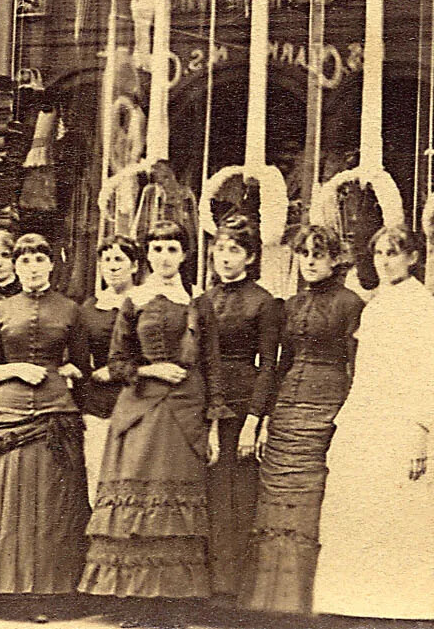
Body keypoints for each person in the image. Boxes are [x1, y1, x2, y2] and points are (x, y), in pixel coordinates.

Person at [80, 220, 223, 605]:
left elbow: (212, 366)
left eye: (172, 249)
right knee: (135, 499)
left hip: (185, 412)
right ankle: (129, 596)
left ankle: (171, 599)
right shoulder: (135, 301)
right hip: (139, 407)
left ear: (185, 255)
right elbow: (116, 360)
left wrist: (211, 427)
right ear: (148, 254)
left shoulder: (200, 303)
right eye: (157, 249)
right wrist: (151, 369)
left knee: (173, 503)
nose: (164, 257)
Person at [314, 224, 434, 620]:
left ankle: (400, 607)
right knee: (359, 506)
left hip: (403, 419)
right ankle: (354, 602)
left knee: (399, 512)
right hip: (368, 414)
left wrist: (420, 434)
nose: (386, 261)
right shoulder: (377, 303)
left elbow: (433, 373)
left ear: (413, 257)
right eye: (379, 254)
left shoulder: (424, 307)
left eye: (393, 253)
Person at [0, 233, 92, 597]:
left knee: (50, 503)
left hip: (54, 411)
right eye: (24, 261)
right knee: (4, 501)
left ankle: (48, 590)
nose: (31, 268)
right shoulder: (0, 311)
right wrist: (12, 369)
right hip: (6, 411)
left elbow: (80, 364)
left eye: (38, 260)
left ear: (50, 264)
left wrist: (67, 371)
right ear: (16, 267)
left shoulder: (70, 309)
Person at [241, 225, 364, 614]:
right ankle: (270, 603)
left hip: (327, 405)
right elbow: (280, 364)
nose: (310, 261)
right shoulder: (289, 305)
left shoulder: (351, 303)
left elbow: (355, 365)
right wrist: (262, 418)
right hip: (286, 411)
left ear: (335, 259)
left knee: (311, 496)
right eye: (304, 254)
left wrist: (347, 413)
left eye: (318, 253)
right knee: (275, 494)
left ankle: (307, 604)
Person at [198, 216, 281, 601]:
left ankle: (234, 594)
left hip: (244, 405)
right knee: (207, 496)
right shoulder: (202, 301)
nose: (225, 257)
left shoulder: (264, 302)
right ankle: (203, 588)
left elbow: (269, 366)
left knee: (238, 498)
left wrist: (254, 421)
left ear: (249, 257)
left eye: (235, 250)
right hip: (202, 404)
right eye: (220, 249)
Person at [77, 235, 140, 507]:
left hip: (135, 395)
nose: (112, 267)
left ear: (134, 266)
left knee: (131, 471)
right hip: (97, 401)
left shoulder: (144, 303)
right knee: (97, 469)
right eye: (106, 260)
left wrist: (116, 371)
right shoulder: (89, 307)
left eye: (119, 260)